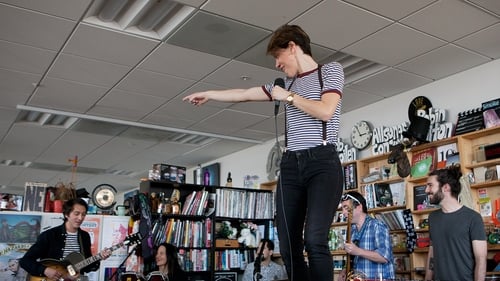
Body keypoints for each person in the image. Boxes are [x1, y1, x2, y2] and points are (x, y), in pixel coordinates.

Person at [184, 24, 344, 281]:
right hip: (291, 165)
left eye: (278, 57)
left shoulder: (330, 71)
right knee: (288, 245)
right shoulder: (285, 84)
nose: (278, 65)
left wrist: (288, 97)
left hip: (322, 163)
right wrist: (209, 94)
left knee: (314, 239)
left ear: (292, 47)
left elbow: (326, 110)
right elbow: (245, 93)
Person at [20, 198, 111, 280]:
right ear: (67, 214)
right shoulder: (50, 235)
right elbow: (25, 261)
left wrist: (99, 258)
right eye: (76, 214)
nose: (80, 218)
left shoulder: (84, 236)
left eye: (83, 214)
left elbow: (86, 266)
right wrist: (45, 270)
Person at [424, 166, 487, 281]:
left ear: (446, 188)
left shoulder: (473, 218)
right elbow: (433, 251)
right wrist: (428, 277)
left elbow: (481, 260)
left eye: (430, 185)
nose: (426, 190)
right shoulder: (432, 217)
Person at [339, 191, 394, 280]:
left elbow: (384, 257)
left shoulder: (377, 225)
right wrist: (345, 270)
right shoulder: (351, 230)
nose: (343, 213)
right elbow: (353, 258)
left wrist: (358, 251)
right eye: (342, 209)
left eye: (346, 208)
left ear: (359, 207)